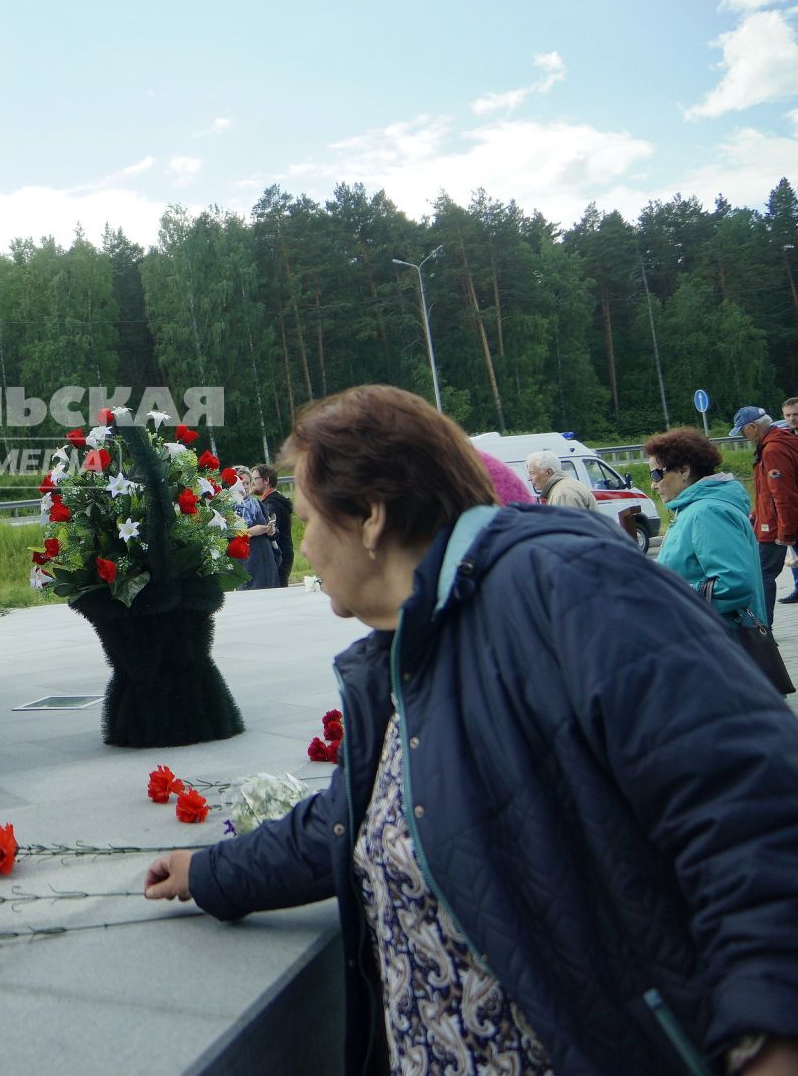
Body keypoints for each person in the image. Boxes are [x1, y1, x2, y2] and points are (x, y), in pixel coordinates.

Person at [143, 385, 798, 1075]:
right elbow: (350, 817)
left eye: (307, 519)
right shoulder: (415, 644)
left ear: (369, 515)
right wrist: (209, 872)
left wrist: (771, 1042)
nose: (302, 546)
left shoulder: (565, 581)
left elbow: (751, 806)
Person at [643, 427, 792, 691]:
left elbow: (733, 584)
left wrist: (667, 592)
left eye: (657, 473)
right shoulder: (695, 509)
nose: (653, 484)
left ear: (684, 471)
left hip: (721, 649)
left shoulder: (707, 512)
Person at [733, 405, 798, 615]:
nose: (743, 436)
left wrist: (786, 532)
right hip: (777, 519)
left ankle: (763, 630)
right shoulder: (783, 440)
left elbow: (783, 493)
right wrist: (755, 513)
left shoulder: (773, 450)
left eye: (743, 431)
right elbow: (768, 492)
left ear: (753, 427)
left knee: (762, 574)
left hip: (777, 525)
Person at [235, 470, 279, 590]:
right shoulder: (229, 508)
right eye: (241, 483)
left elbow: (274, 534)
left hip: (267, 561)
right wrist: (251, 532)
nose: (244, 487)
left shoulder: (258, 504)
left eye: (247, 483)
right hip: (246, 563)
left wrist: (272, 531)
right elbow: (227, 537)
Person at [257, 466, 295, 588]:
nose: (253, 482)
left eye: (255, 478)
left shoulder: (271, 503)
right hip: (285, 551)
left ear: (266, 480)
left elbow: (270, 530)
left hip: (279, 555)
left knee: (277, 593)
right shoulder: (277, 498)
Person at [525, 449, 595, 510]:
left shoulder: (562, 494)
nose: (529, 478)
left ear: (548, 472)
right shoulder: (563, 487)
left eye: (532, 473)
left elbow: (567, 525)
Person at [782, 398, 798, 602]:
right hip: (792, 498)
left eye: (795, 414)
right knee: (792, 545)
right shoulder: (785, 438)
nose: (792, 418)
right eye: (788, 415)